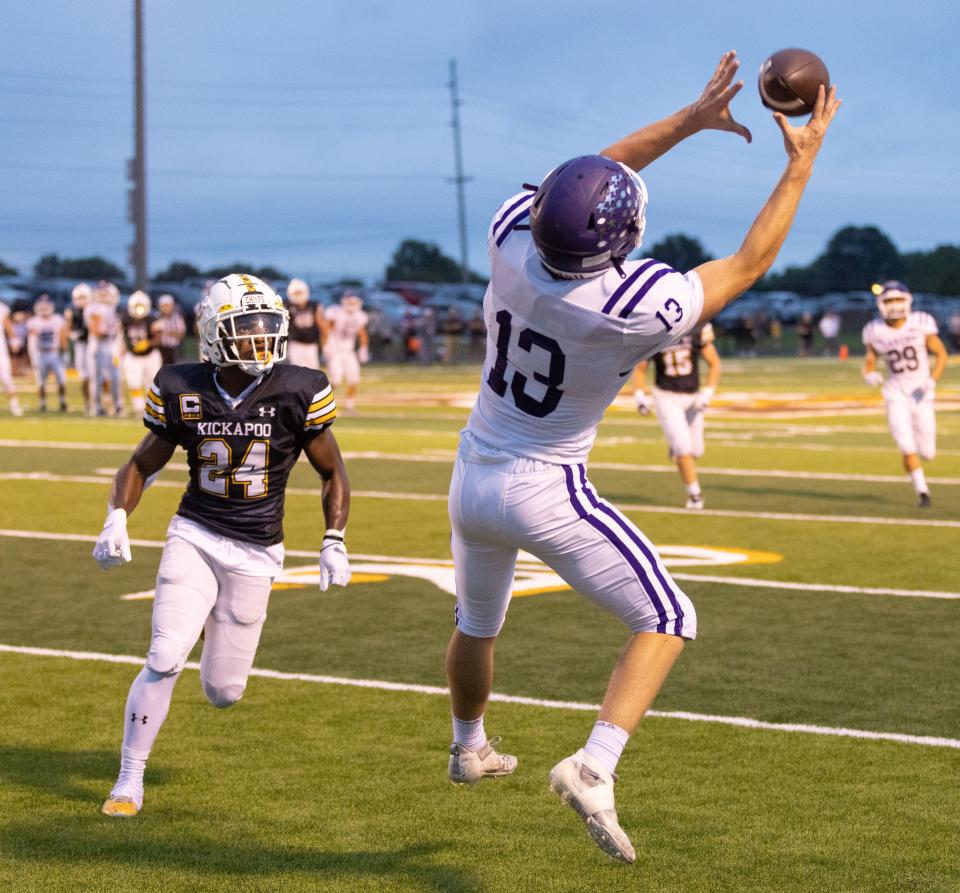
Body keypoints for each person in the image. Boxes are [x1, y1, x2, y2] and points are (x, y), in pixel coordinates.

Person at [443, 51, 840, 864]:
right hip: (543, 482)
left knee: (478, 622)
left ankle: (467, 742)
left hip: (472, 472)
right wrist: (801, 165)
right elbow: (750, 264)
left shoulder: (508, 239)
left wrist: (686, 121)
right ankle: (594, 764)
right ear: (621, 241)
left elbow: (587, 176)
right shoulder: (631, 306)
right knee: (669, 615)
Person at [93, 273, 352, 818]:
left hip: (258, 549)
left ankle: (210, 614)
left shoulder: (298, 387)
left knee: (223, 691)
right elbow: (143, 462)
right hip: (196, 532)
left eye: (267, 328)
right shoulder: (182, 385)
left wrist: (334, 539)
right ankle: (128, 780)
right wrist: (117, 515)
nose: (261, 340)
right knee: (165, 655)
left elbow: (333, 471)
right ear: (212, 334)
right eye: (245, 329)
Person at [862, 281, 947, 507]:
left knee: (927, 452)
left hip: (921, 393)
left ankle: (921, 475)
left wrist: (933, 378)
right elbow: (870, 360)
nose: (894, 305)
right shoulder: (874, 330)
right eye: (889, 300)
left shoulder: (921, 322)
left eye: (898, 299)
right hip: (895, 393)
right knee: (906, 445)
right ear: (881, 304)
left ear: (908, 300)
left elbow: (941, 353)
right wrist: (869, 374)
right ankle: (922, 492)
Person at [633, 322, 721, 508]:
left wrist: (708, 392)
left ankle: (678, 450)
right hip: (666, 396)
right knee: (683, 449)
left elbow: (714, 363)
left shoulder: (698, 327)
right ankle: (695, 496)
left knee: (695, 451)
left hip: (692, 396)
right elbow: (641, 366)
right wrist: (639, 394)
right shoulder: (656, 328)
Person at [321, 291, 369, 413]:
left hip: (349, 352)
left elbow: (362, 333)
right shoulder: (336, 312)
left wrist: (363, 348)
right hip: (335, 351)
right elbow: (327, 329)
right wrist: (325, 346)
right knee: (336, 381)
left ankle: (349, 406)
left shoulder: (360, 316)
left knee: (354, 379)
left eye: (354, 302)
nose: (352, 304)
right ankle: (320, 401)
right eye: (350, 302)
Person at [120, 290, 163, 415]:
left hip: (150, 355)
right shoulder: (125, 318)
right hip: (133, 356)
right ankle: (139, 408)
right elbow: (121, 337)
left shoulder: (152, 318)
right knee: (134, 383)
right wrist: (119, 352)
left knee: (153, 384)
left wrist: (148, 343)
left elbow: (159, 338)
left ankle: (155, 409)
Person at [85, 281, 124, 416]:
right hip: (98, 346)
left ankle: (118, 406)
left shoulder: (112, 308)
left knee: (116, 376)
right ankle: (95, 407)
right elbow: (96, 330)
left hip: (111, 345)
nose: (103, 296)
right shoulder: (94, 308)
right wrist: (109, 333)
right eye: (101, 293)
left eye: (105, 293)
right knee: (97, 378)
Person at [26, 294, 69, 412]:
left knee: (61, 379)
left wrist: (65, 352)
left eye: (46, 306)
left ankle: (63, 401)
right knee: (40, 381)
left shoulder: (57, 319)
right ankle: (43, 404)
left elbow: (62, 337)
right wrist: (32, 356)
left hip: (54, 352)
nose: (44, 309)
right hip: (40, 353)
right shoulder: (33, 322)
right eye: (42, 306)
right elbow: (31, 341)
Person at [66, 283, 94, 414]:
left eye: (84, 297)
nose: (82, 300)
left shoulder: (95, 309)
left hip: (93, 344)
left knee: (100, 375)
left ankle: (105, 401)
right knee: (84, 376)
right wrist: (72, 334)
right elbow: (68, 329)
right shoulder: (72, 311)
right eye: (80, 297)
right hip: (81, 346)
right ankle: (88, 403)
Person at [284, 278, 323, 369]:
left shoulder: (314, 305)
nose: (298, 296)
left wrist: (325, 343)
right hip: (295, 344)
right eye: (296, 293)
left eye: (300, 292)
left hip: (311, 344)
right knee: (297, 371)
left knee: (313, 373)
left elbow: (321, 324)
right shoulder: (287, 305)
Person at [0, 300, 24, 416]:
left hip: (0, 350)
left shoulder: (1, 308)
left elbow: (7, 326)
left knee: (7, 379)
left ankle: (14, 405)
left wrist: (14, 339)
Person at [155, 294, 187, 365]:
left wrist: (166, 330)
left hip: (174, 349)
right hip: (161, 348)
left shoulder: (177, 317)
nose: (166, 308)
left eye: (168, 306)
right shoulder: (157, 317)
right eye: (164, 306)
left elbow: (181, 334)